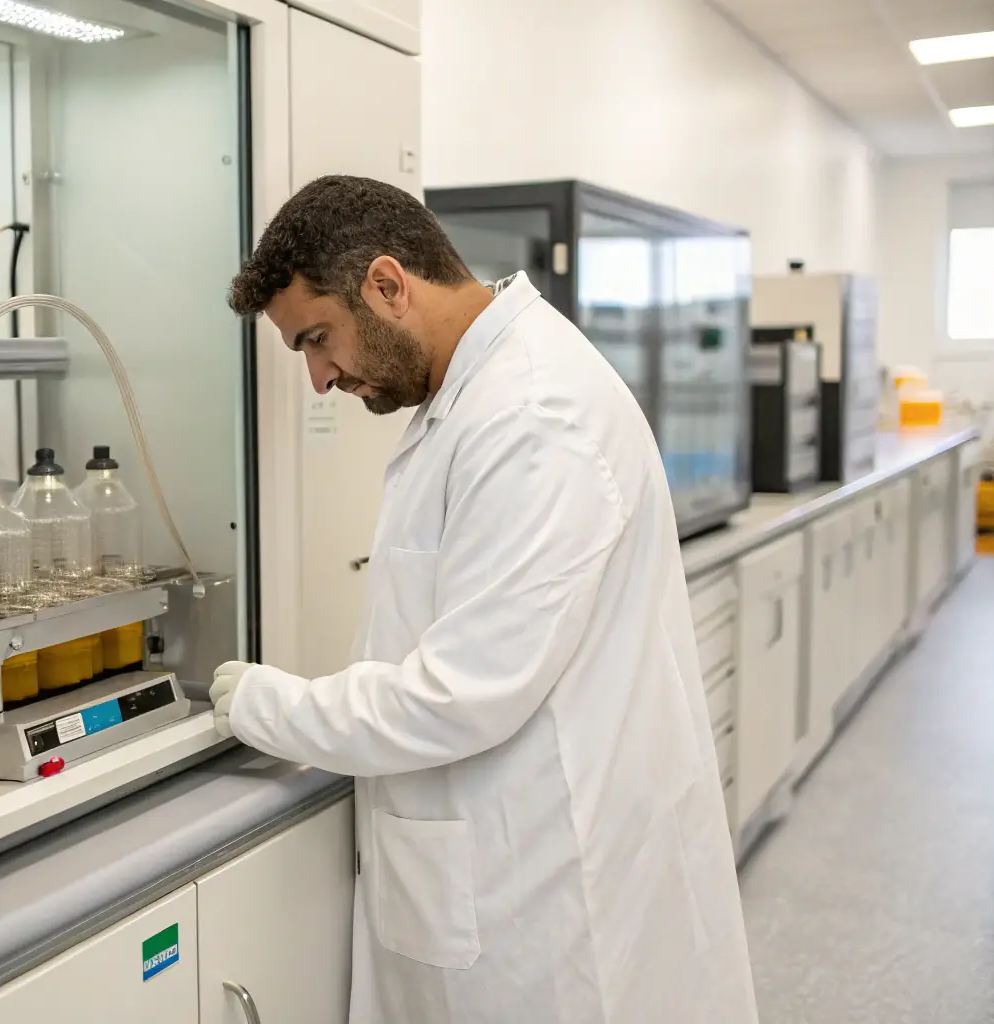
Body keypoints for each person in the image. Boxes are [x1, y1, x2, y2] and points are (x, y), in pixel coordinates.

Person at [210, 174, 758, 1024]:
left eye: (316, 339)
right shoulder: (476, 396)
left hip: (541, 885)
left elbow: (463, 691)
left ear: (388, 285)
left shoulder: (531, 416)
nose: (319, 378)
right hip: (509, 849)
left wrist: (268, 704)